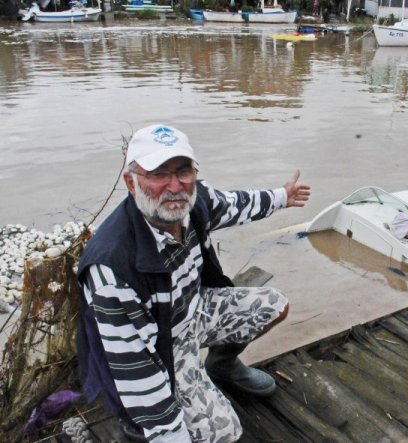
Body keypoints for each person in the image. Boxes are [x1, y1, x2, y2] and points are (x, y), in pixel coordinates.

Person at [76, 124, 311, 442]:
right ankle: (136, 426)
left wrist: (282, 196)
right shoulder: (112, 269)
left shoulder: (195, 200)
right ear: (132, 182)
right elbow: (138, 373)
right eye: (159, 174)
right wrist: (168, 432)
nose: (174, 186)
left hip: (194, 312)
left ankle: (222, 365)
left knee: (274, 305)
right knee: (226, 432)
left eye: (182, 171)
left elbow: (236, 204)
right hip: (160, 348)